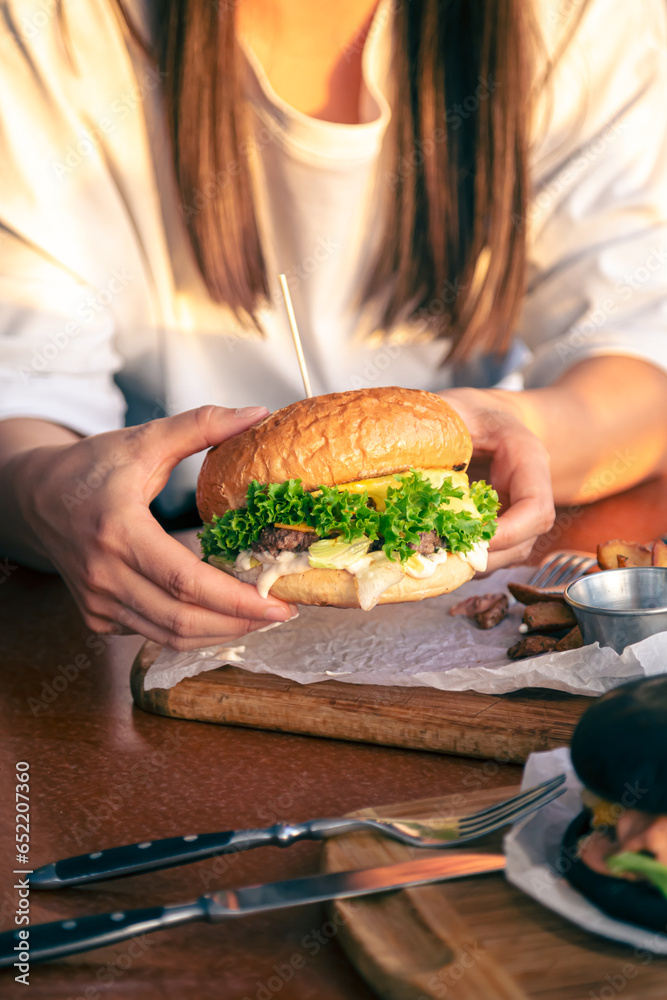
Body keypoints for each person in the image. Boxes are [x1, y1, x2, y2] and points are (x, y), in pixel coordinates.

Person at [1, 0, 667, 650]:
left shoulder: (574, 17)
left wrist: (516, 430)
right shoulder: (50, 26)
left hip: (468, 586)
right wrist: (53, 497)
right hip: (151, 572)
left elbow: (639, 363)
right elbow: (22, 391)